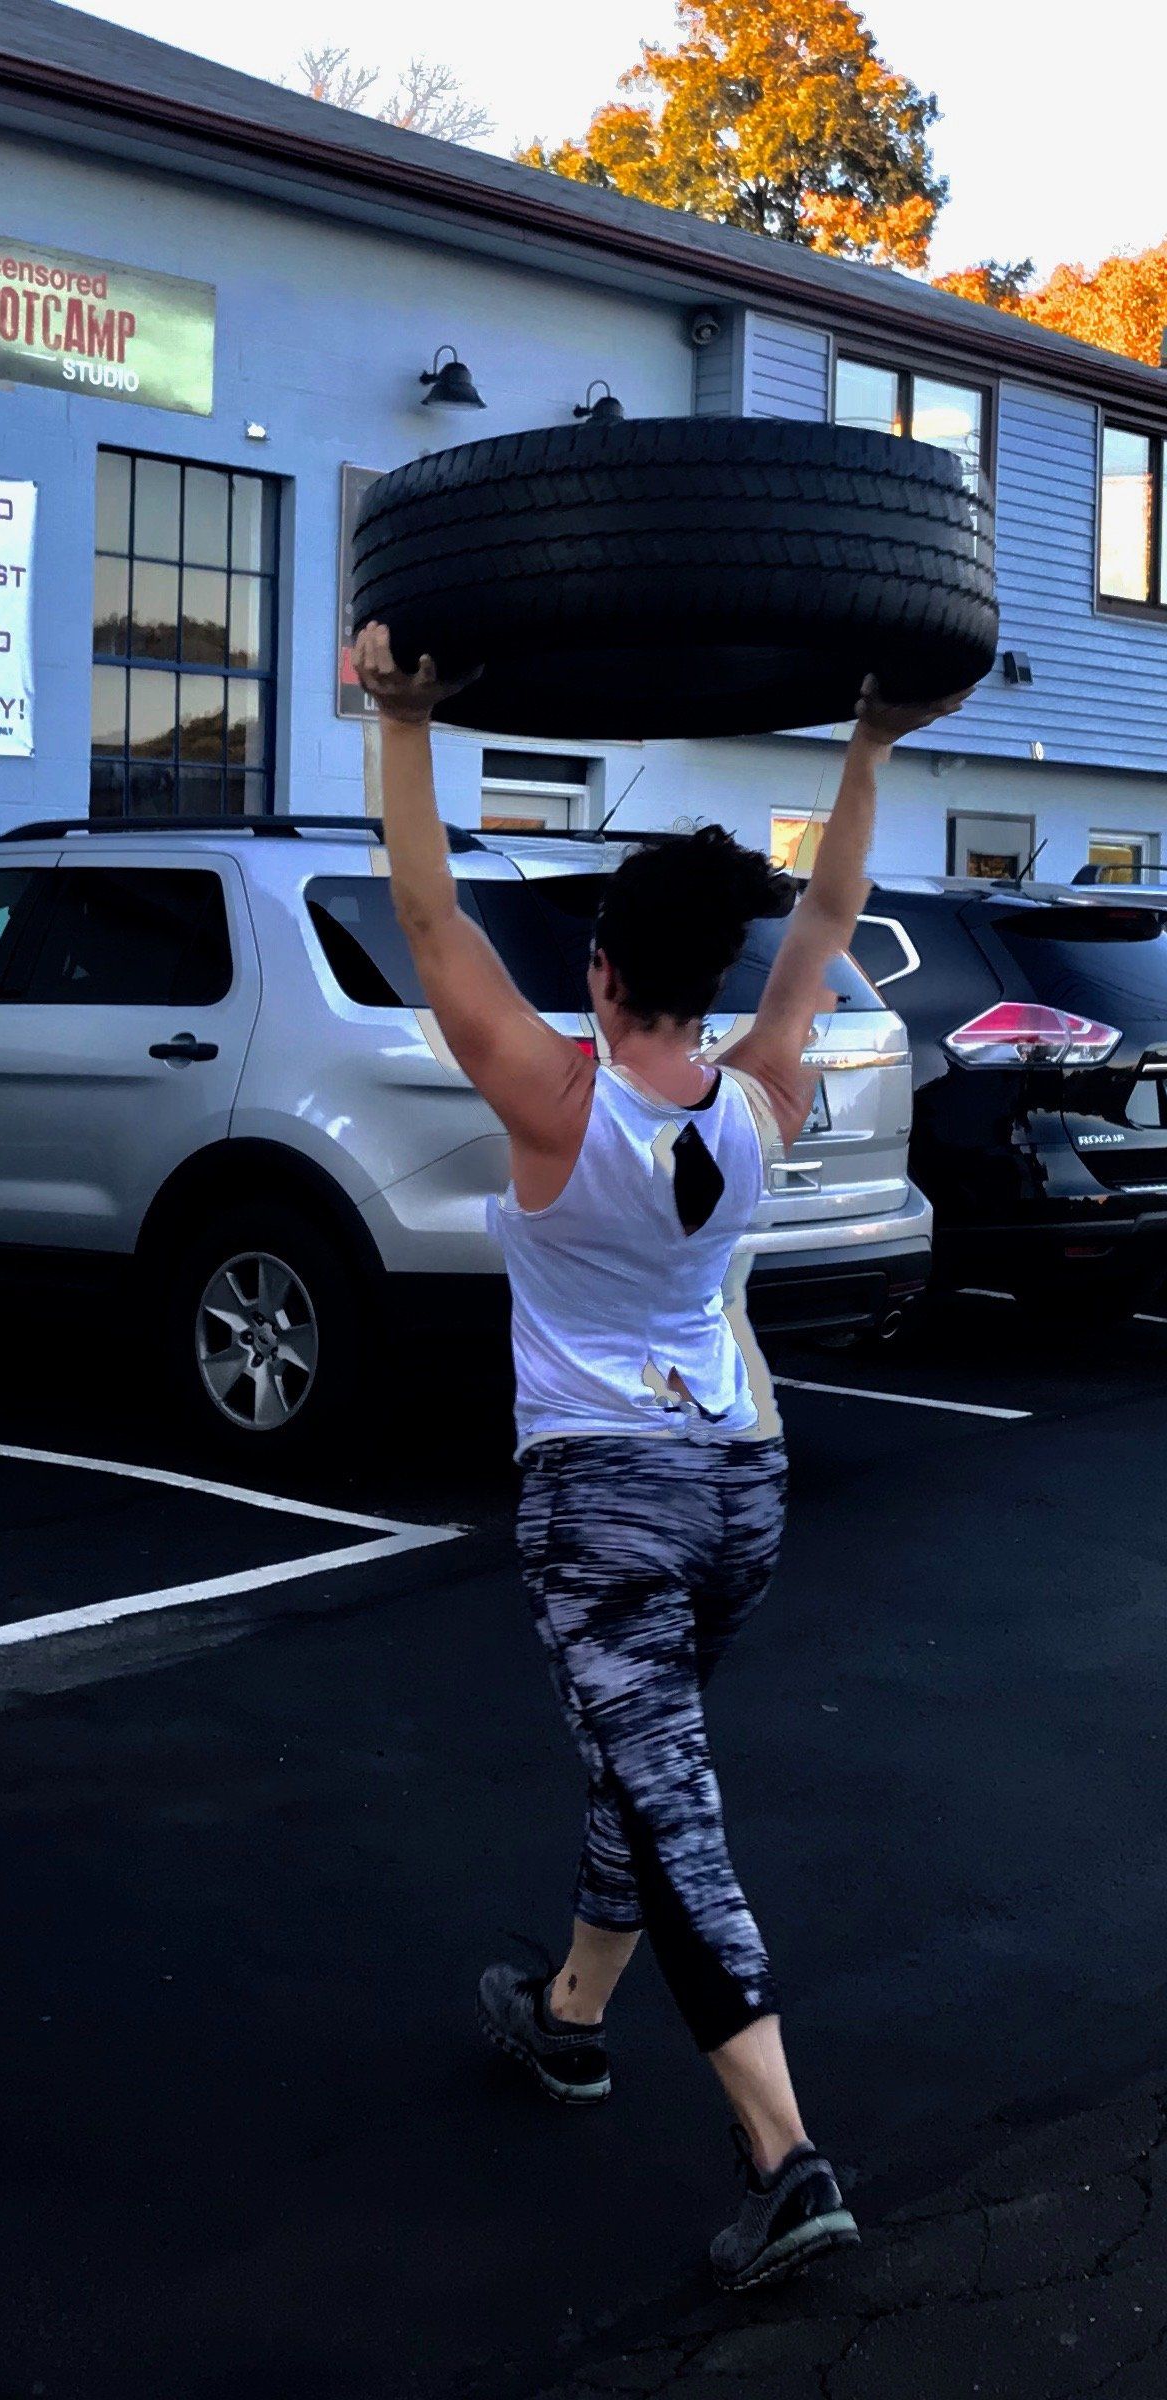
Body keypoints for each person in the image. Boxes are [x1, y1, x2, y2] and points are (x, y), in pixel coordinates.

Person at [350, 620, 968, 2292]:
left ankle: (786, 2159)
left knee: (673, 1805)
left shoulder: (559, 1102)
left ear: (607, 969)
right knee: (648, 1761)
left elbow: (426, 917)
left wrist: (402, 720)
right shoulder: (760, 1097)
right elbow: (828, 917)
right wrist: (867, 749)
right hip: (737, 1499)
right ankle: (567, 2018)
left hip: (603, 1505)